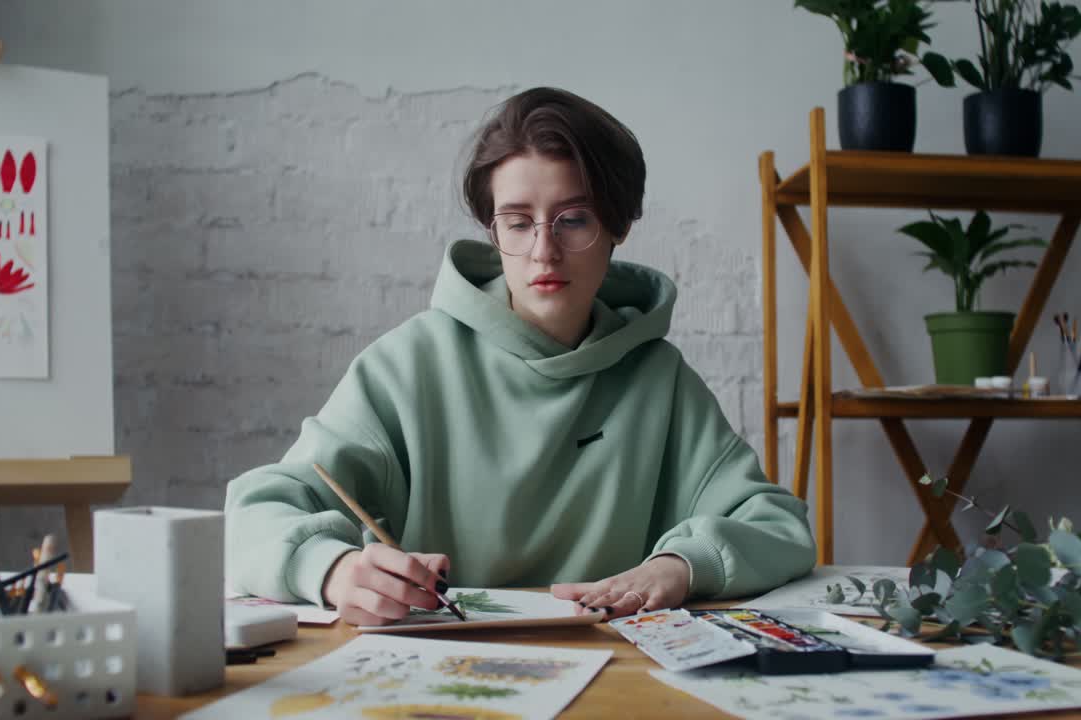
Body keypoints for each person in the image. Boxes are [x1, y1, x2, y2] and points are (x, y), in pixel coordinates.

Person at [225, 87, 815, 627]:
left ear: (618, 225)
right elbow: (253, 514)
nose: (543, 251)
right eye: (517, 222)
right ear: (492, 230)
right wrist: (330, 570)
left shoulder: (660, 381)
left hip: (617, 673)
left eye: (573, 219)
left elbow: (778, 524)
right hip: (439, 668)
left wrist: (681, 568)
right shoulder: (407, 366)